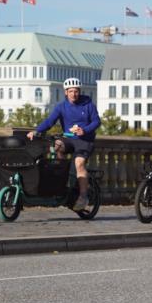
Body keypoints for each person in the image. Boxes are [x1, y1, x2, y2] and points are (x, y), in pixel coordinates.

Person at [28, 77, 100, 211]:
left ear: (79, 91)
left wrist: (84, 130)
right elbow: (50, 122)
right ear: (66, 92)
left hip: (85, 140)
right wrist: (36, 131)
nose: (74, 94)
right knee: (55, 146)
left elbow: (96, 122)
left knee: (79, 163)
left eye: (76, 91)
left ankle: (83, 196)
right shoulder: (61, 107)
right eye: (71, 91)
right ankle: (62, 176)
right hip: (69, 139)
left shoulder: (88, 104)